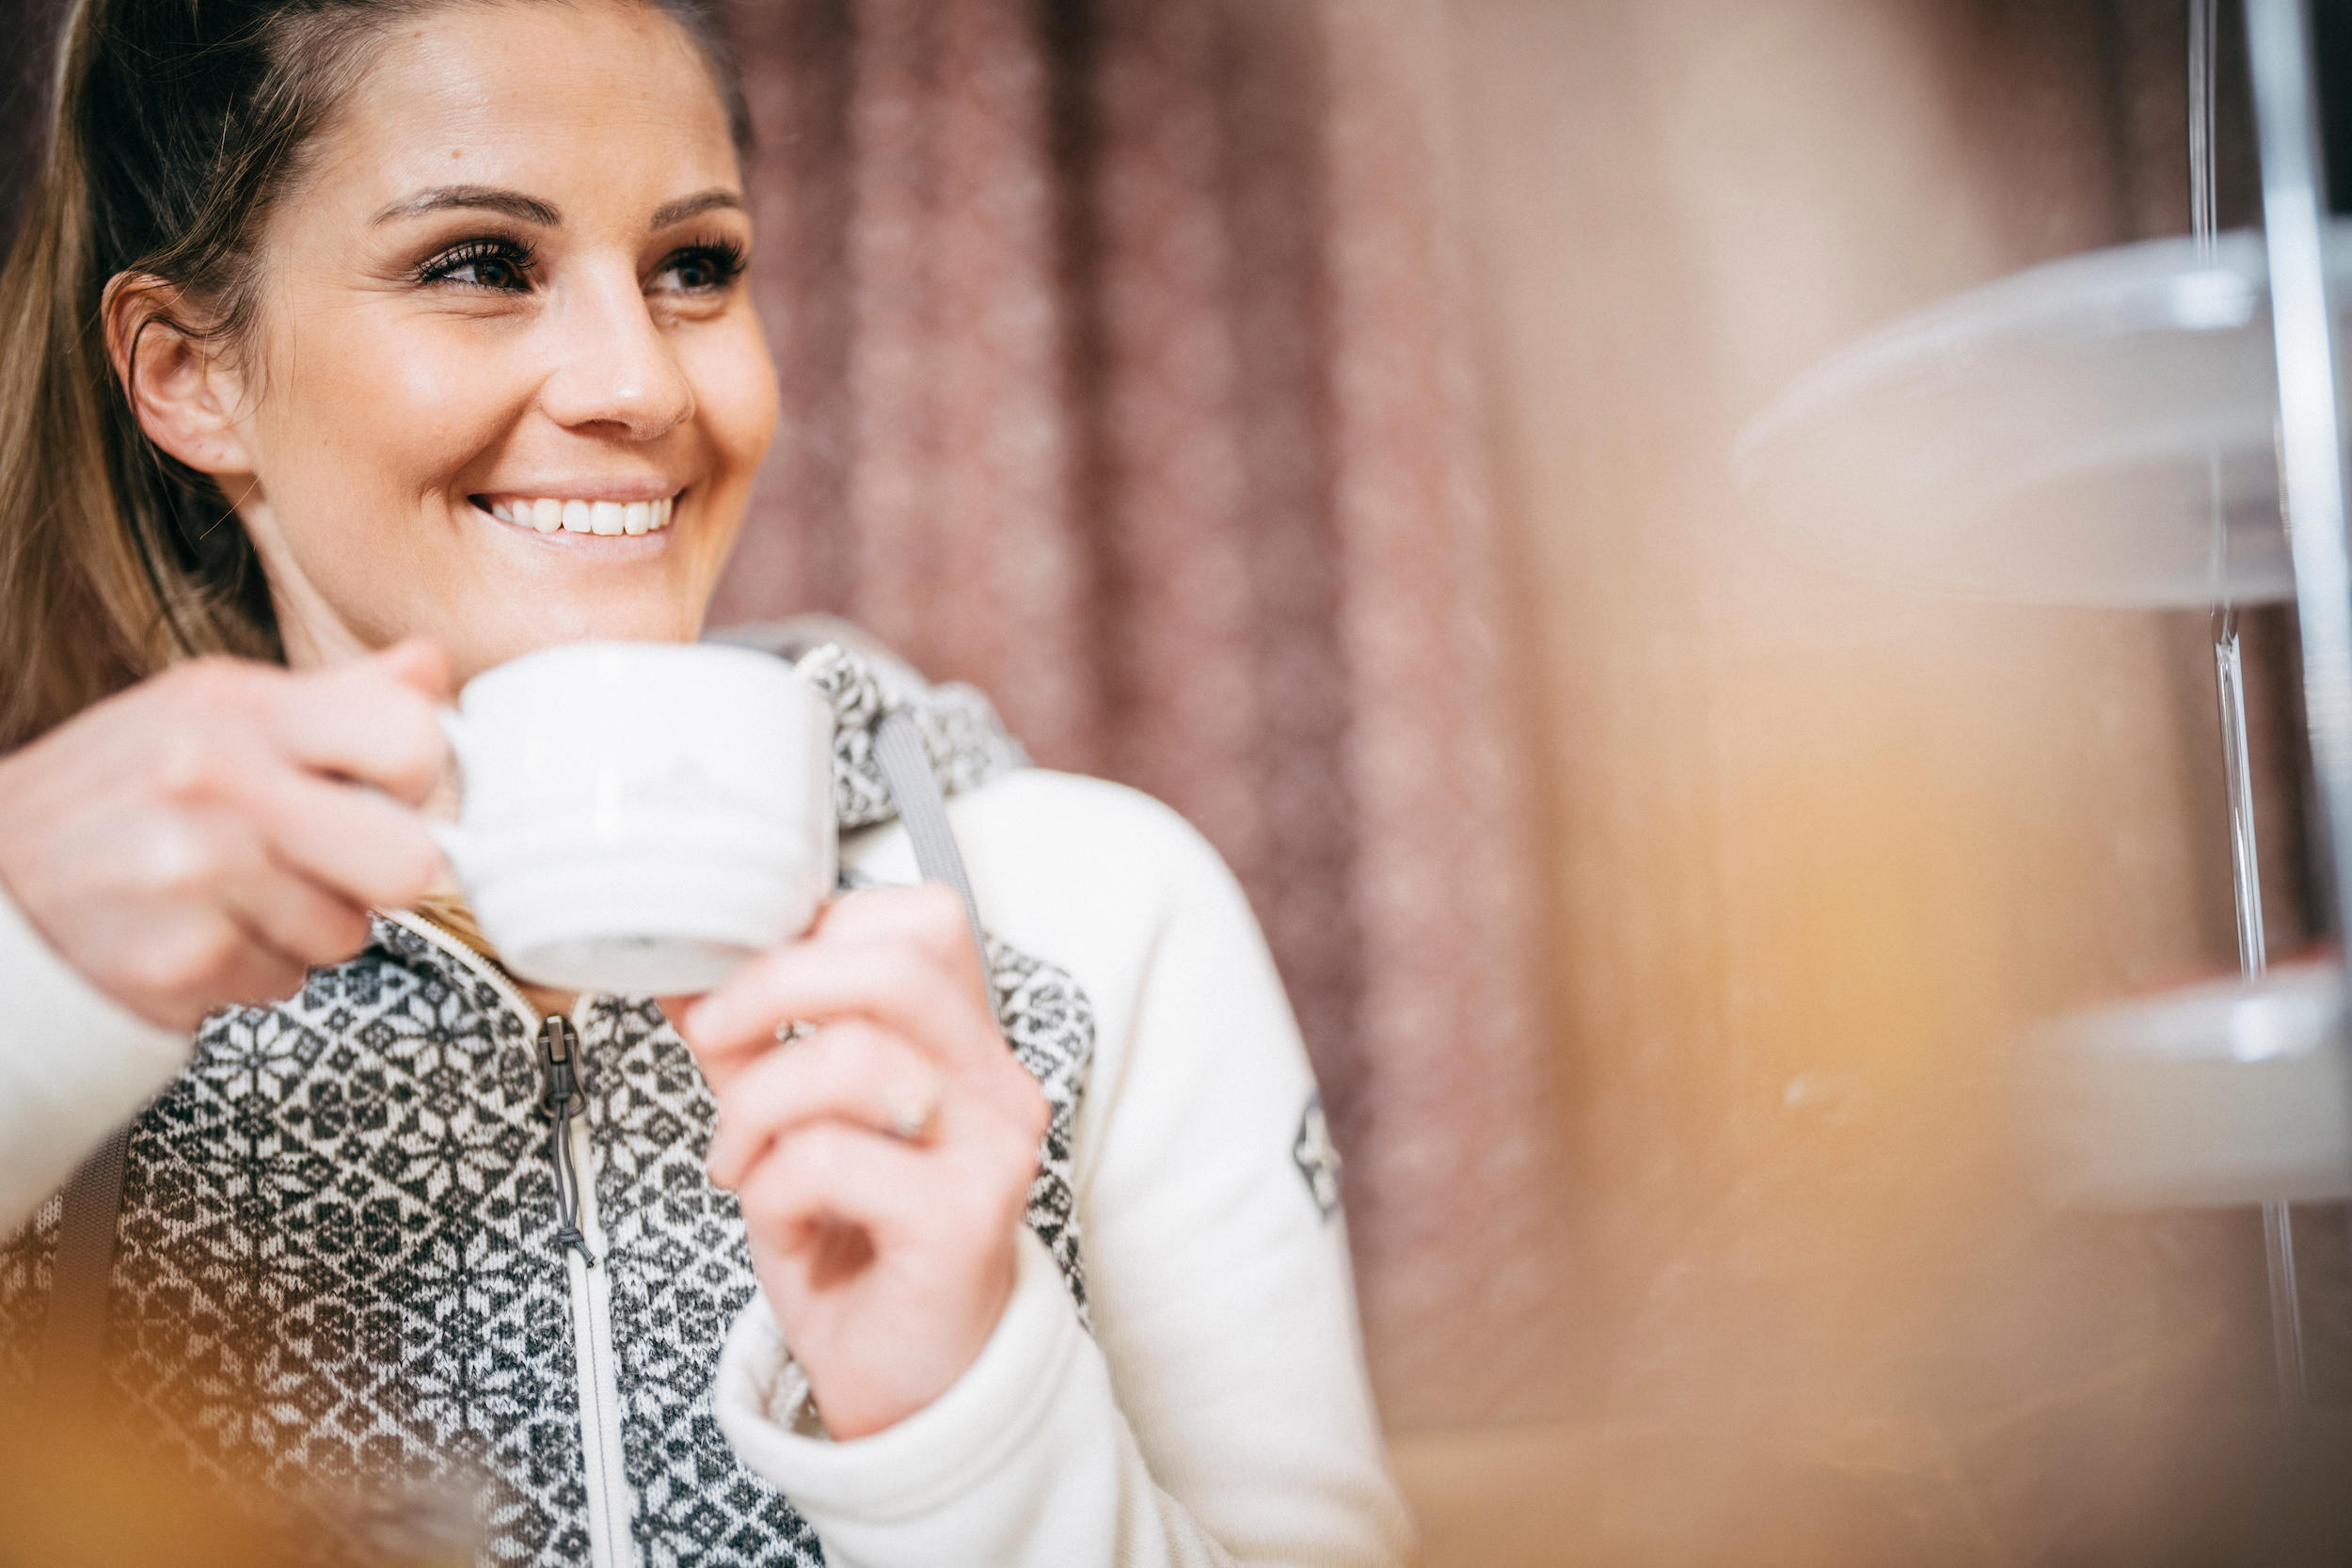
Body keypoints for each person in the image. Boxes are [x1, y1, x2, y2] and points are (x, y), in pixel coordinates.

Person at [0, 2, 1414, 1564]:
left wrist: (969, 1425)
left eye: (695, 269)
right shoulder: (42, 960)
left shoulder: (1098, 906)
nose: (643, 386)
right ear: (189, 372)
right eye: (480, 262)